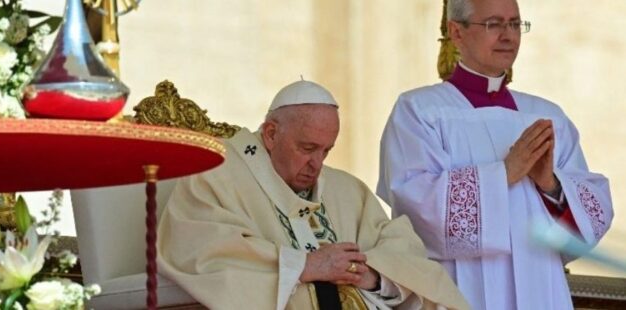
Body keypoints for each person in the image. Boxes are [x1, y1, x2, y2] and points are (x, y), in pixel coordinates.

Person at [376, 0, 614, 309]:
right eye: (493, 24)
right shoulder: (419, 112)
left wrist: (551, 186)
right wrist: (504, 174)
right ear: (456, 32)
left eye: (515, 24)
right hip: (461, 288)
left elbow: (589, 223)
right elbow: (416, 208)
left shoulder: (546, 115)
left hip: (542, 287)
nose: (508, 35)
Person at [158, 80, 469, 310]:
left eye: (326, 151)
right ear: (271, 134)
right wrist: (303, 266)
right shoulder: (216, 174)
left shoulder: (347, 189)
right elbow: (199, 251)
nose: (317, 164)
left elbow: (404, 252)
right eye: (307, 149)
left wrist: (372, 274)